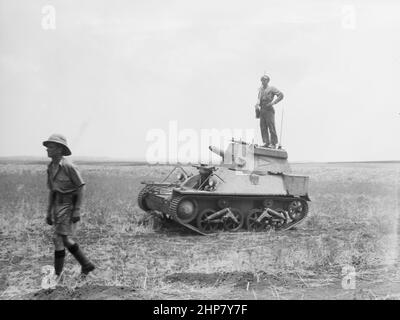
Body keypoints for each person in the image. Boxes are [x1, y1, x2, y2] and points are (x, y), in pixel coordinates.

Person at [43, 133, 95, 281]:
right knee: (64, 240)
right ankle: (86, 264)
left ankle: (57, 277)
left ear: (59, 149)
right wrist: (49, 212)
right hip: (58, 205)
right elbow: (52, 191)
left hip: (69, 204)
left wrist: (77, 209)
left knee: (58, 239)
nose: (47, 150)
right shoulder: (50, 167)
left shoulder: (68, 166)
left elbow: (80, 187)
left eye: (51, 147)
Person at [255, 75, 284, 148]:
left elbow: (281, 95)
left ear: (268, 81)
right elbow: (259, 99)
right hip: (262, 110)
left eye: (265, 80)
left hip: (269, 109)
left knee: (271, 126)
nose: (263, 81)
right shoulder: (260, 90)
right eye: (262, 80)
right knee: (263, 127)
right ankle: (266, 142)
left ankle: (273, 143)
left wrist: (273, 102)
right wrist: (257, 105)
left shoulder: (272, 88)